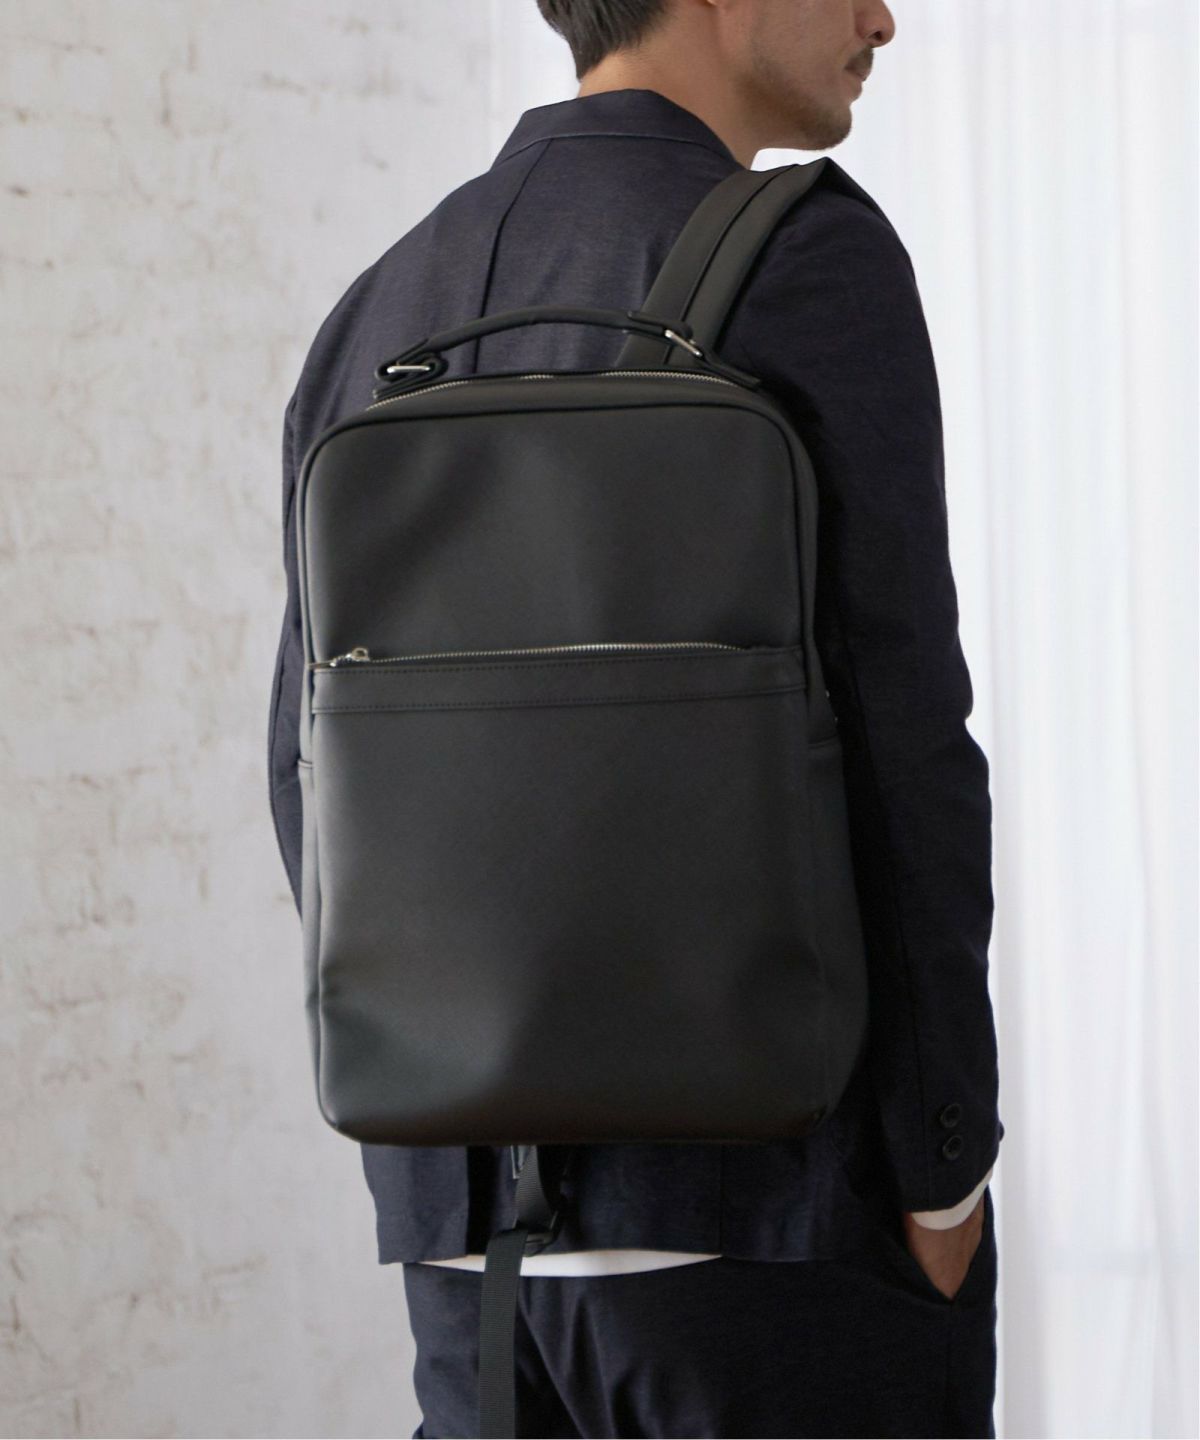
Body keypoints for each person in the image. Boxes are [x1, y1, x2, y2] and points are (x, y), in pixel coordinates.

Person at [268, 0, 1005, 1434]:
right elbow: (905, 737)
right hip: (771, 1222)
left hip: (463, 1255)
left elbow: (307, 774)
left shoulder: (382, 301)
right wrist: (945, 1167)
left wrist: (438, 1135)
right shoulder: (808, 257)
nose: (883, 17)